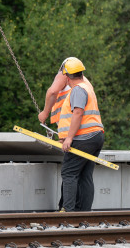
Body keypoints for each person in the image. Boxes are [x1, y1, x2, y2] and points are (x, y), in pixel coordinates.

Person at [39, 57, 104, 212]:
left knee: (69, 173)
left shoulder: (78, 90)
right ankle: (84, 212)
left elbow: (78, 113)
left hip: (83, 138)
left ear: (67, 77)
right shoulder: (87, 87)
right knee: (85, 175)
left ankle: (68, 211)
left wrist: (69, 137)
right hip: (96, 136)